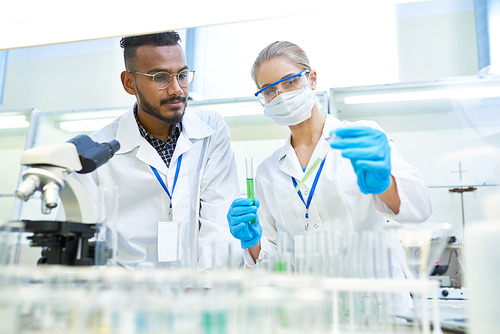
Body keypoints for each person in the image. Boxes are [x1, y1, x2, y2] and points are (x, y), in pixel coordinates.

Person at [227, 41, 433, 303]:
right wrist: (252, 242)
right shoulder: (268, 172)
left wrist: (384, 184)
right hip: (312, 312)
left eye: (290, 83)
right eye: (269, 91)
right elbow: (273, 268)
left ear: (312, 79)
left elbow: (421, 209)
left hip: (380, 308)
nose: (281, 97)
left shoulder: (360, 138)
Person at [76, 31, 242, 270]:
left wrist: (205, 290)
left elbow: (219, 226)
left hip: (199, 292)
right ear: (129, 83)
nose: (177, 89)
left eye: (182, 75)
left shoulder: (210, 131)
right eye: (160, 78)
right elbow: (88, 246)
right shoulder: (96, 153)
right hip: (127, 296)